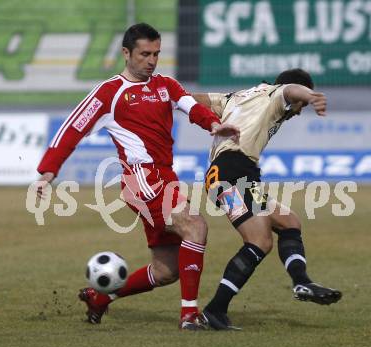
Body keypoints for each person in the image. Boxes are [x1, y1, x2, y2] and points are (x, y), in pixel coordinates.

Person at [34, 23, 239, 330]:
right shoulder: (109, 93)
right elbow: (72, 128)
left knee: (166, 270)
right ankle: (189, 315)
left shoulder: (166, 85)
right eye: (145, 54)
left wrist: (212, 124)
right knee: (195, 225)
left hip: (166, 177)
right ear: (126, 53)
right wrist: (47, 170)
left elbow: (192, 107)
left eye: (157, 53)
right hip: (141, 178)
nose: (152, 61)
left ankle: (100, 298)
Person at [192, 68, 342, 330]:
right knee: (259, 241)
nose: (298, 111)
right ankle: (215, 310)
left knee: (289, 222)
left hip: (237, 174)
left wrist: (166, 97)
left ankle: (301, 281)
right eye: (302, 106)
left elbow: (196, 98)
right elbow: (290, 90)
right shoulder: (277, 94)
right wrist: (312, 95)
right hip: (231, 173)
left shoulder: (236, 97)